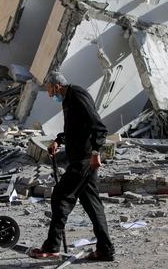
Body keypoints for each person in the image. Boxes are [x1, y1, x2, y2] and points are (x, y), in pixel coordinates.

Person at [30, 71, 115, 261]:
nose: (51, 94)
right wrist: (59, 140)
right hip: (81, 159)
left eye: (50, 90)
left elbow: (99, 127)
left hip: (84, 160)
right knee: (93, 206)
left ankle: (52, 246)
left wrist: (95, 153)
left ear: (57, 85)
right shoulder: (69, 99)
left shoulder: (77, 95)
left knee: (60, 196)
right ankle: (105, 250)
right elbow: (76, 128)